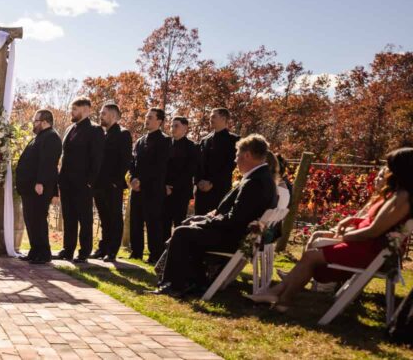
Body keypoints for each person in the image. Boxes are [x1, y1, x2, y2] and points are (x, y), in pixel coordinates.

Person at [250, 148, 413, 311]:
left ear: (400, 171)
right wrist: (351, 223)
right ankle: (279, 296)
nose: (386, 172)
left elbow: (373, 231)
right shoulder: (397, 195)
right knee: (312, 253)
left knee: (311, 256)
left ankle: (281, 298)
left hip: (370, 251)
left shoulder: (402, 198)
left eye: (390, 167)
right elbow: (376, 222)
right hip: (368, 246)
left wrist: (344, 237)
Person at [154, 134, 277, 297]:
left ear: (247, 155)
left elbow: (236, 219)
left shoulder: (255, 182)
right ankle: (195, 281)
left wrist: (207, 222)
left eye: (237, 155)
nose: (235, 160)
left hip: (234, 238)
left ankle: (173, 284)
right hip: (242, 235)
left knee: (182, 232)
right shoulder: (263, 178)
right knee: (189, 226)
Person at [57, 97, 105, 263]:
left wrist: (90, 182)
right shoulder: (70, 128)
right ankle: (67, 249)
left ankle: (84, 251)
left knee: (84, 218)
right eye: (72, 109)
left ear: (86, 110)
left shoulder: (95, 130)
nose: (72, 112)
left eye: (75, 109)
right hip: (66, 181)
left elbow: (97, 158)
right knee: (68, 216)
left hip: (83, 183)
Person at [15, 109, 62, 264]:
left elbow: (48, 162)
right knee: (31, 220)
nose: (33, 124)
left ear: (44, 122)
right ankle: (35, 251)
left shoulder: (52, 137)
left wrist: (40, 182)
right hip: (29, 188)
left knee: (38, 219)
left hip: (39, 188)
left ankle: (43, 253)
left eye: (35, 121)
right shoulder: (40, 137)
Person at [129, 108, 172, 263]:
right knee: (135, 222)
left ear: (159, 121)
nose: (146, 119)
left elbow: (159, 166)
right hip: (136, 188)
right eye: (146, 117)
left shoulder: (165, 141)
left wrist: (142, 181)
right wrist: (133, 179)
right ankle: (136, 253)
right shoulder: (140, 141)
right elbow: (132, 163)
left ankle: (155, 255)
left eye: (151, 117)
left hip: (153, 189)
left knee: (153, 223)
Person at [92, 102, 132, 263]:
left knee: (114, 217)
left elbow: (125, 160)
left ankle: (112, 250)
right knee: (104, 217)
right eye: (101, 113)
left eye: (104, 113)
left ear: (114, 116)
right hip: (99, 184)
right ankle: (103, 248)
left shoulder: (123, 134)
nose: (100, 116)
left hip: (113, 185)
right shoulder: (103, 134)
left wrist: (116, 182)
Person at [194, 108, 240, 215]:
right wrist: (198, 181)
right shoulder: (204, 140)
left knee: (216, 223)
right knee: (198, 224)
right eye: (210, 117)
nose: (210, 119)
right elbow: (198, 163)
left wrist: (211, 182)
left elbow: (230, 165)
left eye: (213, 116)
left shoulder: (234, 140)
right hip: (201, 191)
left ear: (224, 119)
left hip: (220, 189)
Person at [164, 116, 199, 237]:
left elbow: (190, 171)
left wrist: (172, 186)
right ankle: (162, 253)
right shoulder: (165, 144)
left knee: (179, 223)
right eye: (171, 125)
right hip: (163, 190)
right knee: (163, 223)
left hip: (181, 192)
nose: (172, 128)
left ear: (185, 128)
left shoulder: (192, 147)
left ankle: (176, 252)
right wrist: (164, 185)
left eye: (176, 126)